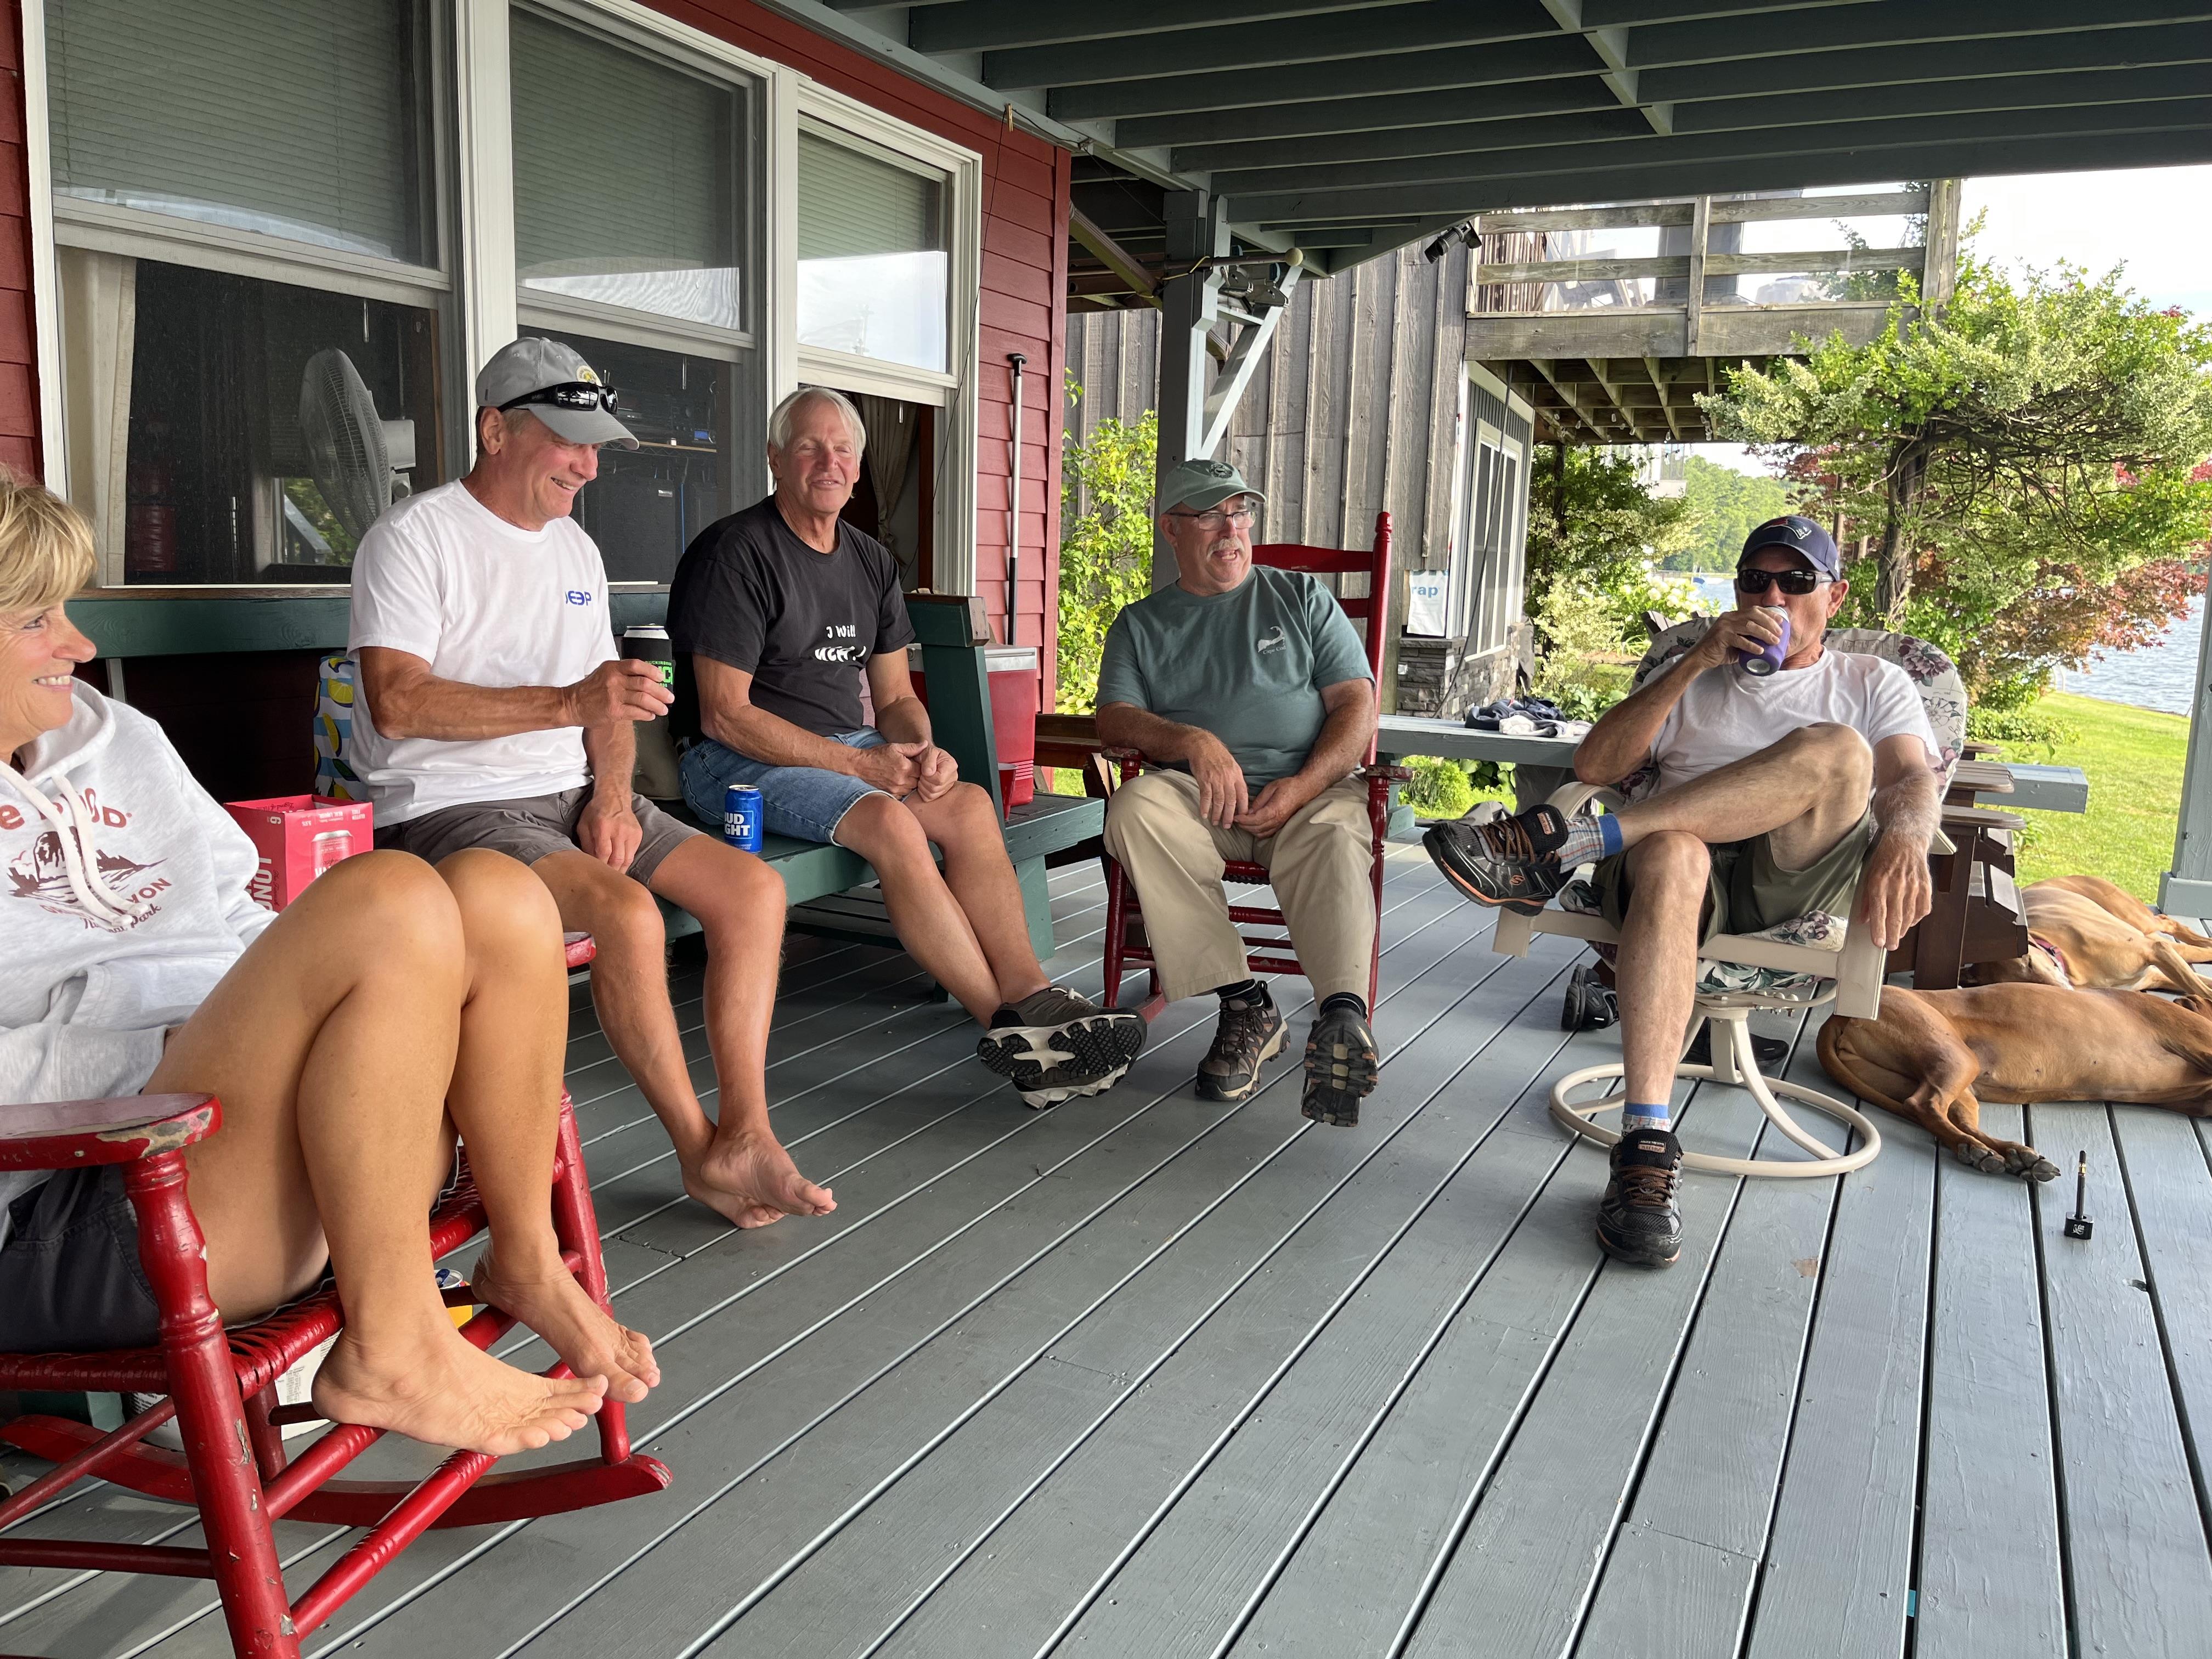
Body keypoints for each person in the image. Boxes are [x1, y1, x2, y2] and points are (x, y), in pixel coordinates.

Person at [0, 476, 653, 1453]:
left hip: (265, 1143)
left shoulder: (121, 738)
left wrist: (255, 1028)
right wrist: (160, 1044)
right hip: (85, 1203)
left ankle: (522, 1252)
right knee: (386, 897)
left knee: (499, 894)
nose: (82, 645)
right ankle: (392, 1340)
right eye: (37, 618)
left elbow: (239, 908)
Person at [349, 338, 832, 1231]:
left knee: (754, 891)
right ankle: (699, 1147)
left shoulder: (572, 548)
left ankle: (748, 1128)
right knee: (629, 913)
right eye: (567, 439)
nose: (588, 462)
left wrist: (612, 794)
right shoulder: (414, 538)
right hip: (457, 809)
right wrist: (572, 700)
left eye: (596, 442)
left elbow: (606, 702)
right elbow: (397, 700)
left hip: (574, 793)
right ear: (495, 430)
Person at [1424, 516, 1942, 1267]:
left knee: (1836, 748)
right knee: (1672, 850)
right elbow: (1596, 766)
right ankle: (1644, 1145)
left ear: (1834, 597)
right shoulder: (1695, 672)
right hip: (1672, 872)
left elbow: (1911, 777)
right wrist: (1694, 659)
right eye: (1755, 580)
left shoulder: (1870, 680)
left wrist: (1905, 836)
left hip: (1792, 876)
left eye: (1797, 582)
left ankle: (1565, 845)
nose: (1774, 595)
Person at [669, 386, 1146, 1108]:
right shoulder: (737, 554)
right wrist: (863, 766)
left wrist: (923, 752)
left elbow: (893, 700)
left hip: (844, 750)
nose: (828, 461)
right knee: (892, 823)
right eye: (808, 446)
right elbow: (724, 715)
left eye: (842, 449)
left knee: (969, 804)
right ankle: (1012, 1031)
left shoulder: (869, 562)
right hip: (735, 765)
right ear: (775, 460)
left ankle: (1032, 996)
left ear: (858, 468)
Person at [1094, 458, 1383, 1126]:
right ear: (1172, 529)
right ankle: (1245, 1001)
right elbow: (1113, 719)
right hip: (1205, 802)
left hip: (1308, 794)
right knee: (1135, 808)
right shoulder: (1142, 625)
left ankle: (1341, 1021)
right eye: (1208, 514)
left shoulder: (1301, 598)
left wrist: (1304, 783)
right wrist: (1191, 741)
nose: (1231, 527)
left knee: (1336, 834)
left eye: (1239, 510)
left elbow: (1356, 706)